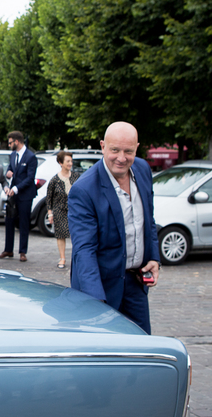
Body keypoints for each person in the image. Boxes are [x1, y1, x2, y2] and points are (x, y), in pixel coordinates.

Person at [67, 122, 159, 333]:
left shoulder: (143, 170)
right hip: (101, 288)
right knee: (105, 354)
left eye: (128, 151)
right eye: (115, 150)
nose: (121, 158)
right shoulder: (84, 189)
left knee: (142, 347)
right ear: (103, 146)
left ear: (137, 147)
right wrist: (95, 301)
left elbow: (148, 219)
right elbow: (84, 250)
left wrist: (154, 257)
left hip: (136, 283)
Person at [0, 131, 38, 262]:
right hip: (12, 194)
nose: (9, 145)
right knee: (9, 220)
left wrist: (16, 188)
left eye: (10, 142)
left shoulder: (31, 157)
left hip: (25, 194)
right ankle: (8, 249)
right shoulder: (13, 154)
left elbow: (30, 178)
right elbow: (11, 169)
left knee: (24, 222)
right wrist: (9, 173)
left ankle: (22, 251)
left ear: (17, 142)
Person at [46, 150, 81, 269]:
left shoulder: (77, 177)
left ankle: (77, 258)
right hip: (59, 210)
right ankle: (62, 258)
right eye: (67, 161)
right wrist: (50, 214)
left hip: (74, 210)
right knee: (61, 235)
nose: (70, 163)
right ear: (61, 163)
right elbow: (49, 198)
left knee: (77, 234)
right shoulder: (54, 180)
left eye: (71, 161)